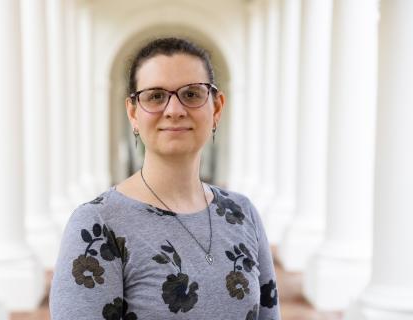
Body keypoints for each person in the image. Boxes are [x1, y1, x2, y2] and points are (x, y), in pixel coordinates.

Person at [49, 37, 280, 320]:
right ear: (133, 112)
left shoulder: (243, 214)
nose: (174, 110)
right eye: (156, 96)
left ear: (216, 108)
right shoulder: (98, 224)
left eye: (192, 94)